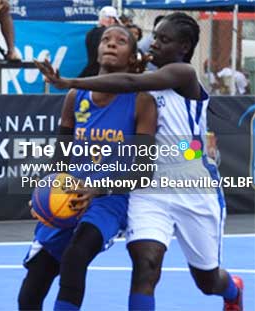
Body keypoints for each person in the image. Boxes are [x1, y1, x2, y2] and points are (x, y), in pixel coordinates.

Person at [35, 12, 244, 311]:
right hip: (149, 187)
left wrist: (67, 80)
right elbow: (125, 78)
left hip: (193, 186)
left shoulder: (183, 75)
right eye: (154, 37)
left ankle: (232, 290)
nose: (154, 44)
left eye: (164, 39)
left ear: (184, 47)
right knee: (145, 265)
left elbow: (129, 80)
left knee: (207, 280)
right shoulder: (144, 78)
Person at [18, 25, 157, 311]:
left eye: (121, 41)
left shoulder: (142, 101)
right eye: (106, 39)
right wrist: (45, 192)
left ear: (132, 57)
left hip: (108, 200)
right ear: (96, 50)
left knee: (75, 256)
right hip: (67, 196)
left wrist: (97, 189)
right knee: (30, 293)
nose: (111, 43)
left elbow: (143, 172)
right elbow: (61, 159)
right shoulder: (75, 97)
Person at [79, 6, 120, 77]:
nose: (113, 22)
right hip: (102, 74)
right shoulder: (108, 33)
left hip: (90, 71)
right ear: (111, 19)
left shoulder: (91, 32)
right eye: (113, 19)